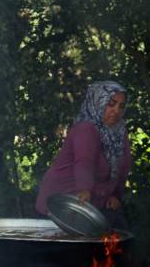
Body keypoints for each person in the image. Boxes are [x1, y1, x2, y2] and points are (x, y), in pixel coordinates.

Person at [35, 81, 131, 229]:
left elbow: (123, 168)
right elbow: (84, 161)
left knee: (116, 235)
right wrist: (84, 189)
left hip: (91, 202)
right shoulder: (86, 128)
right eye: (111, 104)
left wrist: (116, 196)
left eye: (121, 106)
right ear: (98, 101)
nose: (116, 110)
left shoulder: (119, 132)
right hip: (62, 200)